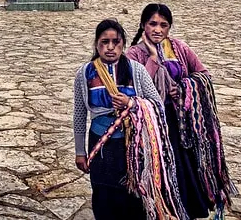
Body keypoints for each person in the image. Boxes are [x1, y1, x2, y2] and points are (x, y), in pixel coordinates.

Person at [73, 19, 174, 220]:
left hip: (132, 146)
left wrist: (132, 103)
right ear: (96, 44)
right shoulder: (85, 74)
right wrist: (80, 152)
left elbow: (157, 105)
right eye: (104, 42)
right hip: (100, 145)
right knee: (103, 195)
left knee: (133, 196)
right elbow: (79, 114)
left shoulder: (136, 70)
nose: (110, 47)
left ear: (123, 44)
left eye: (115, 42)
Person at [125, 4, 216, 219]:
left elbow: (204, 75)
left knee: (181, 166)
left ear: (169, 28)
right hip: (149, 126)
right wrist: (154, 59)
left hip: (179, 122)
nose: (158, 30)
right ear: (143, 26)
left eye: (163, 25)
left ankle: (183, 208)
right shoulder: (134, 54)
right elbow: (133, 86)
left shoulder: (179, 49)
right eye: (152, 24)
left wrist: (184, 87)